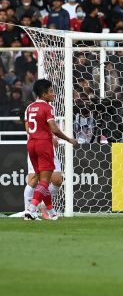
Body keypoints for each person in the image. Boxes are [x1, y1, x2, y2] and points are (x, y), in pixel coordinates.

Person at [23, 79, 77, 221]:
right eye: (51, 91)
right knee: (45, 181)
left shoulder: (29, 108)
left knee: (41, 180)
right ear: (44, 93)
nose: (54, 94)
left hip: (31, 144)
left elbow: (28, 128)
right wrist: (69, 139)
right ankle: (31, 209)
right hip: (43, 145)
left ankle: (51, 212)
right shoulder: (47, 108)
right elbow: (54, 129)